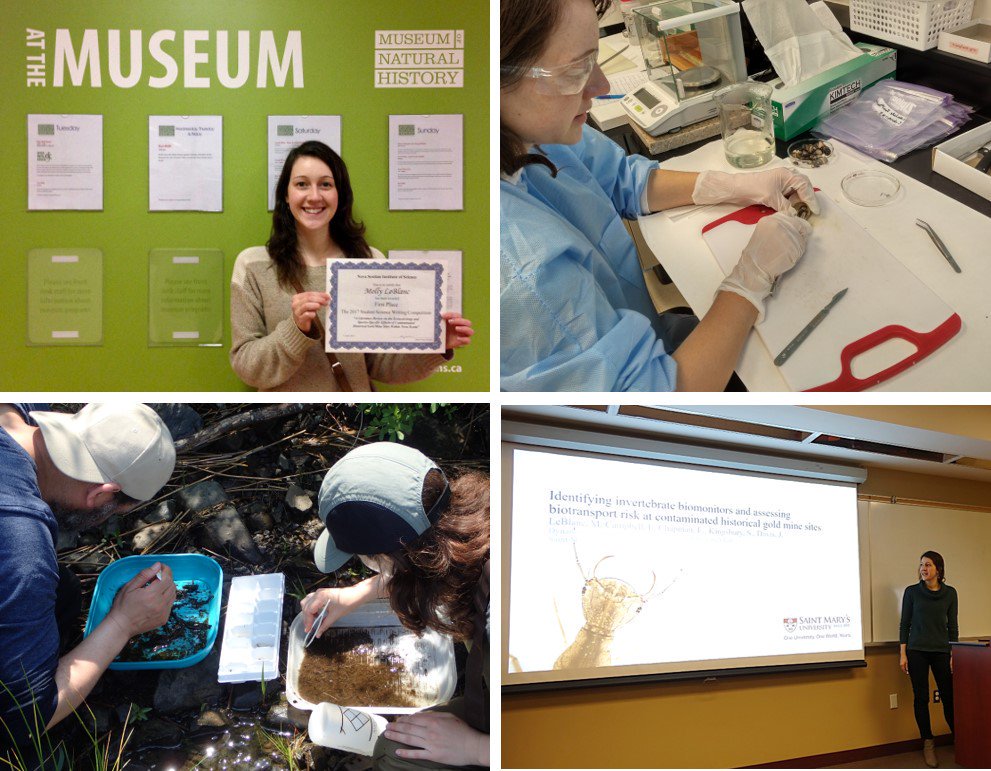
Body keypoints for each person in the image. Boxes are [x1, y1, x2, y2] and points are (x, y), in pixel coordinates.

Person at [500, 0, 818, 391]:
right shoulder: (520, 271)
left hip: (645, 331)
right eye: (578, 69)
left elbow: (621, 179)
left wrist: (730, 185)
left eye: (595, 59)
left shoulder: (526, 131)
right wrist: (750, 279)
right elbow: (658, 395)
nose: (601, 86)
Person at [0, 403, 177, 762]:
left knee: (62, 593)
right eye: (114, 511)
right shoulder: (23, 549)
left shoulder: (16, 406)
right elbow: (24, 720)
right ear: (100, 495)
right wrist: (122, 623)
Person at [301, 443, 489, 769]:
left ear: (393, 558)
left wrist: (476, 748)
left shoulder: (497, 610)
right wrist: (354, 595)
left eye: (370, 562)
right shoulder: (468, 519)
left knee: (395, 752)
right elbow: (423, 562)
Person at [230, 141, 475, 391]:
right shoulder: (253, 265)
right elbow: (247, 367)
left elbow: (381, 365)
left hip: (355, 418)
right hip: (289, 423)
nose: (314, 196)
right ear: (286, 193)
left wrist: (437, 344)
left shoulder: (370, 262)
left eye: (325, 184)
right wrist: (295, 330)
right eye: (302, 184)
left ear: (340, 194)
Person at [899, 550, 957, 768]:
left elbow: (953, 627)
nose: (924, 568)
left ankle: (959, 738)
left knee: (949, 697)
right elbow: (904, 624)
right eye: (922, 564)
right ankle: (928, 743)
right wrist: (903, 653)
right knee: (921, 697)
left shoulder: (951, 593)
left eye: (929, 565)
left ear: (939, 569)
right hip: (917, 651)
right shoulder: (912, 592)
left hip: (942, 651)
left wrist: (953, 653)